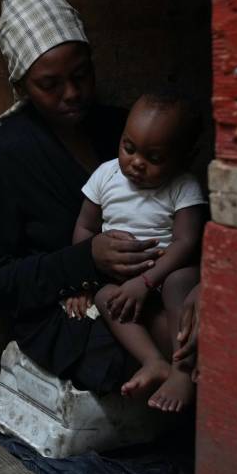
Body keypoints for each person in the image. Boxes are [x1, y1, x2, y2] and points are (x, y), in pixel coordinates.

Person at [0, 0, 165, 395]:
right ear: (21, 84)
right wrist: (85, 259)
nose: (72, 93)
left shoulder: (123, 131)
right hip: (66, 314)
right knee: (135, 355)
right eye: (50, 85)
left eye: (82, 75)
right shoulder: (3, 157)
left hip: (155, 284)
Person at [72, 92, 206, 413]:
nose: (136, 162)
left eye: (154, 158)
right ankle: (153, 362)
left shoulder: (183, 186)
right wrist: (82, 280)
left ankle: (182, 370)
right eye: (128, 148)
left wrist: (146, 282)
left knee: (181, 282)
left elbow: (186, 243)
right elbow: (84, 229)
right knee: (105, 297)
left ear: (184, 158)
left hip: (163, 276)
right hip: (121, 279)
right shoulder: (106, 175)